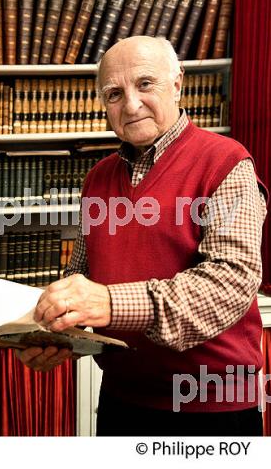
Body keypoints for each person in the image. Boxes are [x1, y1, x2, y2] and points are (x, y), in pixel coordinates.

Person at [16, 36, 268, 436]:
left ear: (177, 83)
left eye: (145, 84)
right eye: (114, 93)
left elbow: (229, 283)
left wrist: (110, 303)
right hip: (120, 401)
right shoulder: (97, 177)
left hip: (211, 408)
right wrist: (57, 335)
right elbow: (81, 276)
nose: (130, 105)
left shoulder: (227, 161)